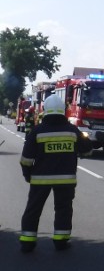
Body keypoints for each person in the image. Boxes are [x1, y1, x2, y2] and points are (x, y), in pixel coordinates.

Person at [19, 94, 93, 252]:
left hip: (40, 180)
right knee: (63, 210)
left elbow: (26, 159)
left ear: (45, 110)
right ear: (63, 111)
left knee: (33, 209)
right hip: (66, 180)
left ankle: (27, 241)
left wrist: (28, 174)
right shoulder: (72, 130)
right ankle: (61, 241)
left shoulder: (37, 131)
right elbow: (87, 150)